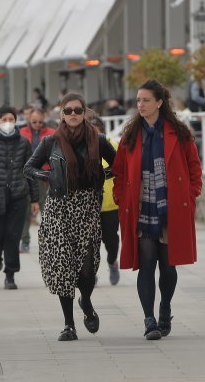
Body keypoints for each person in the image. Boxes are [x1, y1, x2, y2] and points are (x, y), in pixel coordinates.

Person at [112, 79, 202, 341]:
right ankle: (149, 320)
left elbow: (194, 168)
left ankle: (165, 309)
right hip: (141, 208)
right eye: (138, 100)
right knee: (147, 264)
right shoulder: (130, 136)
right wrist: (122, 200)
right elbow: (119, 172)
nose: (140, 105)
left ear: (159, 102)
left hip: (172, 208)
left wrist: (190, 195)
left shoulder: (180, 133)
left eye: (146, 100)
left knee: (168, 266)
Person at [24, 93, 116, 341]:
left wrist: (103, 175)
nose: (73, 114)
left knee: (86, 270)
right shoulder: (50, 142)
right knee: (63, 266)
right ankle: (69, 325)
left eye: (77, 110)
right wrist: (48, 176)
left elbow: (120, 164)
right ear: (62, 114)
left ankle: (86, 301)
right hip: (58, 209)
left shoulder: (98, 139)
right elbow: (28, 168)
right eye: (68, 111)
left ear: (84, 113)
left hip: (87, 208)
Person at [0, 106, 39, 290]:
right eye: (4, 119)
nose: (8, 123)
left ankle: (10, 275)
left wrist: (34, 199)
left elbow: (30, 172)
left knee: (13, 237)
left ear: (16, 121)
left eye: (11, 119)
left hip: (18, 197)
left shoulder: (23, 143)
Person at [19, 107, 55, 253]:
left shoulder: (51, 133)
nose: (37, 124)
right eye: (34, 121)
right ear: (29, 119)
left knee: (46, 210)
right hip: (25, 176)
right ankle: (24, 241)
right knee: (25, 210)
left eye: (40, 122)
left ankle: (49, 241)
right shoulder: (21, 132)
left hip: (43, 176)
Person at [90, 115, 121, 285]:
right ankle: (90, 271)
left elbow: (121, 170)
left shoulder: (113, 146)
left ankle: (112, 261)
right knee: (90, 242)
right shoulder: (81, 147)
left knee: (111, 240)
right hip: (89, 204)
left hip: (110, 203)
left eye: (97, 132)